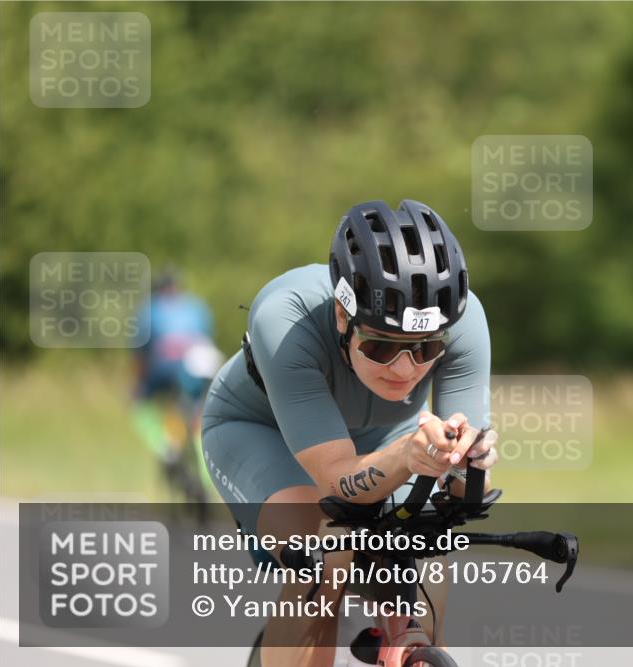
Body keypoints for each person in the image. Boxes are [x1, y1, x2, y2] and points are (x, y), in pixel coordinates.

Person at [201, 199, 499, 667]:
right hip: (261, 432)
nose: (406, 368)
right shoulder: (285, 315)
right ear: (343, 318)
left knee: (424, 557)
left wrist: (468, 460)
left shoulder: (463, 319)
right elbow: (337, 480)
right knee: (322, 555)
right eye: (381, 346)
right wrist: (407, 455)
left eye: (427, 348)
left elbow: (460, 489)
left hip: (389, 436)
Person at [131, 270, 222, 503]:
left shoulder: (150, 309)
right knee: (197, 419)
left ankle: (166, 447)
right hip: (202, 368)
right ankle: (207, 480)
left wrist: (137, 384)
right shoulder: (197, 307)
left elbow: (141, 354)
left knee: (140, 406)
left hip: (165, 368)